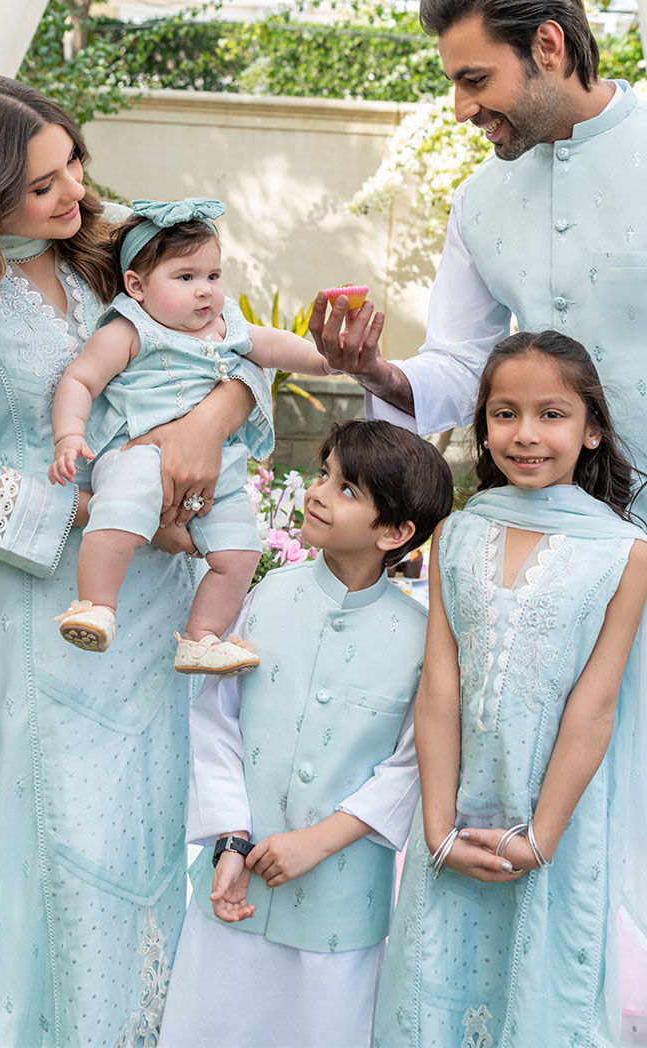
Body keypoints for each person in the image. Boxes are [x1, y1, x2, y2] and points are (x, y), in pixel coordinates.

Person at [310, 0, 647, 1047]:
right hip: (527, 599)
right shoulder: (480, 201)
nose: (460, 108)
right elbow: (457, 369)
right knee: (527, 860)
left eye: (473, 79)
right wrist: (376, 372)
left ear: (547, 46)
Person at [0, 75, 272, 1048]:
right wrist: (112, 509)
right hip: (43, 610)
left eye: (72, 161)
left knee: (159, 826)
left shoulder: (116, 246)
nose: (74, 191)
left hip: (166, 603)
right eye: (42, 185)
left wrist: (206, 424)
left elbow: (231, 344)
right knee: (64, 840)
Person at [374, 331, 647, 1047]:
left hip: (556, 825)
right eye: (505, 413)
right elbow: (440, 686)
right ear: (483, 426)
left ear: (592, 429)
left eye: (552, 414)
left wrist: (541, 838)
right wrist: (438, 830)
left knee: (542, 997)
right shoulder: (458, 533)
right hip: (454, 818)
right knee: (433, 994)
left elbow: (595, 706)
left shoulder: (625, 553)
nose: (525, 434)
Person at [157, 420, 454, 1048]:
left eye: (346, 488)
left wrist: (318, 842)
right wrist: (230, 839)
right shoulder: (264, 595)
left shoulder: (422, 639)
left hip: (339, 911)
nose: (317, 492)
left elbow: (413, 766)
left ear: (395, 532)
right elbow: (215, 720)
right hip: (233, 889)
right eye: (324, 474)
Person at [49, 196, 329, 676]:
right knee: (120, 511)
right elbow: (81, 379)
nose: (205, 291)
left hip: (217, 470)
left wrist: (326, 361)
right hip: (139, 454)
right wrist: (68, 435)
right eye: (185, 277)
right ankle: (95, 605)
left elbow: (273, 344)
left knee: (240, 552)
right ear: (137, 286)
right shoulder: (129, 329)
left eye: (213, 276)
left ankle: (201, 637)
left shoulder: (225, 325)